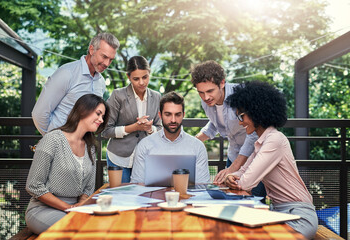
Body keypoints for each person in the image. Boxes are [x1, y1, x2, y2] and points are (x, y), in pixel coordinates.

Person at [224, 81, 318, 239]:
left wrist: (234, 178)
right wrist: (230, 176)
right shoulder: (261, 142)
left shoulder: (274, 140)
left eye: (241, 116)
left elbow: (246, 182)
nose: (240, 122)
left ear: (256, 112)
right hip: (279, 213)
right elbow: (241, 172)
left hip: (298, 217)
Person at [25, 94, 110, 234]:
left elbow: (88, 188)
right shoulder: (53, 139)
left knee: (107, 226)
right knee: (80, 229)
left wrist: (81, 205)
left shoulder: (91, 147)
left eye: (103, 116)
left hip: (76, 209)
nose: (101, 120)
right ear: (83, 110)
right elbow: (34, 185)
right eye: (98, 114)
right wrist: (68, 208)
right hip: (43, 210)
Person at [190, 60, 265, 197]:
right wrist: (194, 141)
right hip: (233, 155)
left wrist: (234, 167)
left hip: (254, 158)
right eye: (201, 92)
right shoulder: (207, 100)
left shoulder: (242, 95)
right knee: (232, 200)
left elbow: (254, 133)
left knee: (255, 202)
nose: (205, 97)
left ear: (222, 83)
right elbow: (216, 123)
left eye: (210, 91)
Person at [32, 33, 119, 135]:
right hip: (60, 143)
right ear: (92, 50)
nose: (107, 63)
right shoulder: (66, 73)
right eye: (104, 56)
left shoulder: (101, 82)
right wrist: (53, 139)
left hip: (84, 145)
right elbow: (39, 114)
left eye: (111, 60)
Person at [101, 56, 162, 183]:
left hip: (145, 158)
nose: (141, 82)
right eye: (136, 79)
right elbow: (106, 131)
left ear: (149, 73)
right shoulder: (118, 95)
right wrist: (134, 127)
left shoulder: (156, 97)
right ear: (128, 77)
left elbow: (161, 129)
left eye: (145, 77)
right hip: (118, 157)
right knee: (121, 197)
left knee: (142, 198)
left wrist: (150, 128)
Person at [130, 91, 210, 184]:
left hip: (187, 197)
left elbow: (202, 186)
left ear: (183, 115)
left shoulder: (197, 147)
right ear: (160, 115)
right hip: (153, 198)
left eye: (177, 115)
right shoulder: (145, 145)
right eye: (168, 114)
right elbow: (137, 184)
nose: (173, 120)